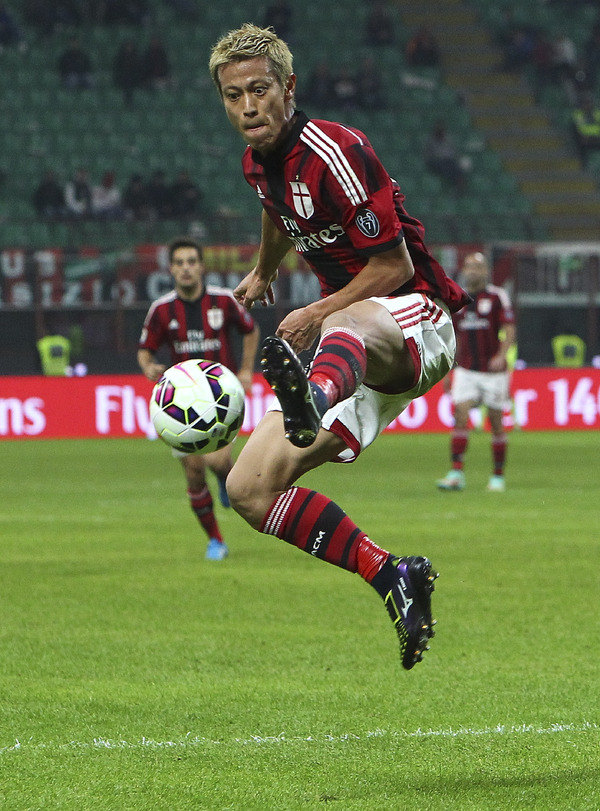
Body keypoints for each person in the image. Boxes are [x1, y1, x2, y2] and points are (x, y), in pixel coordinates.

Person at [208, 24, 469, 669]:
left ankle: (310, 399)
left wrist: (318, 310)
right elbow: (277, 208)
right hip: (351, 356)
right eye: (234, 95)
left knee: (342, 324)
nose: (248, 107)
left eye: (260, 90)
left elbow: (393, 264)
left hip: (414, 318)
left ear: (288, 88)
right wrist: (266, 271)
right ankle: (392, 574)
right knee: (247, 488)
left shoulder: (336, 150)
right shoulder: (256, 163)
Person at [138, 237, 260, 561]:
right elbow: (145, 350)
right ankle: (216, 541)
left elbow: (250, 329)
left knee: (217, 460)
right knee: (193, 473)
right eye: (179, 263)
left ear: (201, 266)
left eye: (191, 261)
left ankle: (225, 479)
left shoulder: (223, 300)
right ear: (171, 269)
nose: (186, 268)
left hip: (221, 398)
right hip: (180, 404)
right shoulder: (162, 310)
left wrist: (247, 370)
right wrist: (149, 367)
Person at [436, 252, 516, 494]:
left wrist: (501, 355)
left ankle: (498, 476)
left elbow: (509, 328)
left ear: (486, 272)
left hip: (493, 372)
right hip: (467, 369)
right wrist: (449, 370)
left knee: (495, 421)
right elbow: (454, 338)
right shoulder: (459, 299)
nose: (473, 271)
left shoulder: (497, 296)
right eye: (469, 266)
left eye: (477, 267)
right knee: (460, 416)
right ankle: (456, 473)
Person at [571, 92, 600, 167]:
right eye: (586, 103)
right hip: (584, 138)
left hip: (596, 137)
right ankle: (583, 164)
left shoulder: (596, 113)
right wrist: (584, 137)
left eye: (589, 103)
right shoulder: (578, 114)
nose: (588, 105)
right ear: (582, 104)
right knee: (579, 142)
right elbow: (579, 128)